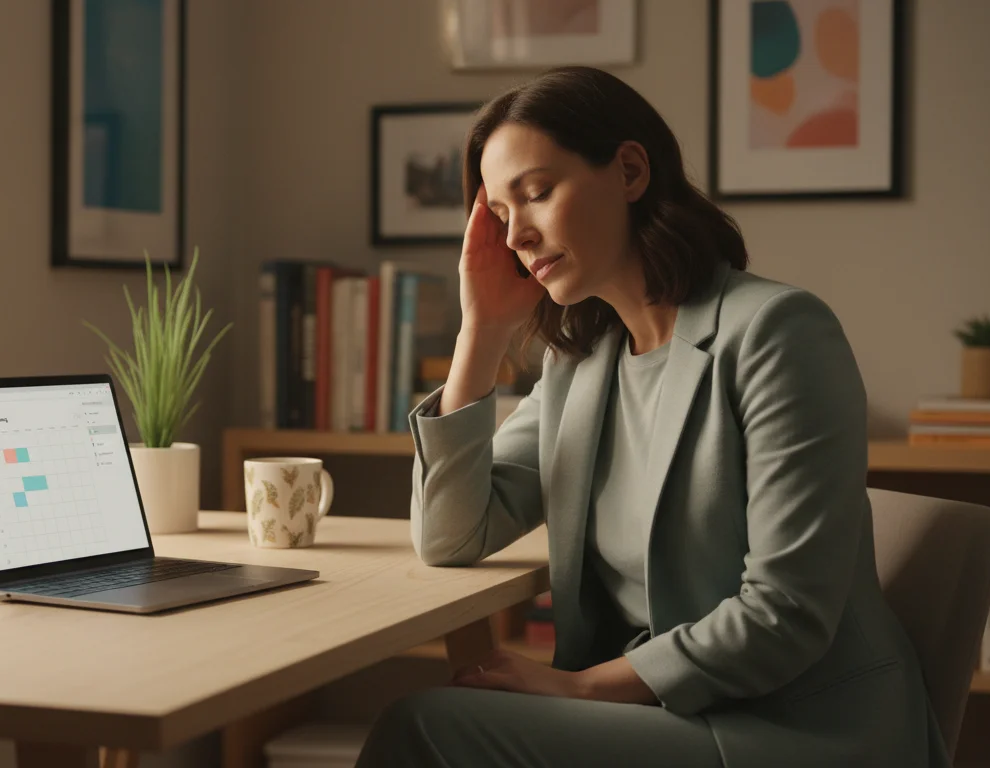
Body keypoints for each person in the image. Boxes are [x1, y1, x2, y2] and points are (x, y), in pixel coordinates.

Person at [354, 67, 948, 768]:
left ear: (630, 170)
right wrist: (478, 333)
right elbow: (452, 536)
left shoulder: (777, 333)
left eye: (537, 194)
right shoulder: (580, 363)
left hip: (795, 727)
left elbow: (785, 615)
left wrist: (578, 690)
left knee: (427, 728)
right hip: (658, 714)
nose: (516, 235)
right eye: (500, 214)